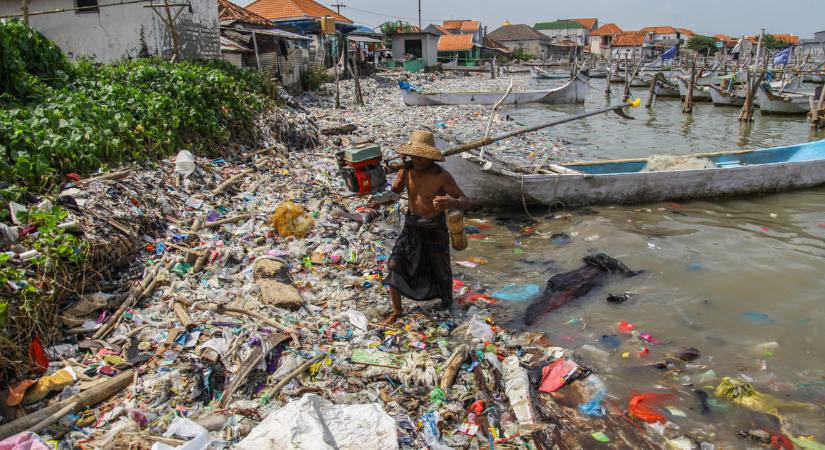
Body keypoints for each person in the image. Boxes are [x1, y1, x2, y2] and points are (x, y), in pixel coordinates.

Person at [382, 130, 470, 324]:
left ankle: (447, 304)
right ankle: (397, 311)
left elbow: (465, 201)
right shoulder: (405, 172)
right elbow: (393, 196)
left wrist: (451, 202)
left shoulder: (442, 176)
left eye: (422, 156)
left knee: (441, 271)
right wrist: (379, 200)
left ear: (430, 157)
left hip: (435, 229)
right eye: (414, 155)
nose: (418, 159)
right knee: (395, 264)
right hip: (411, 227)